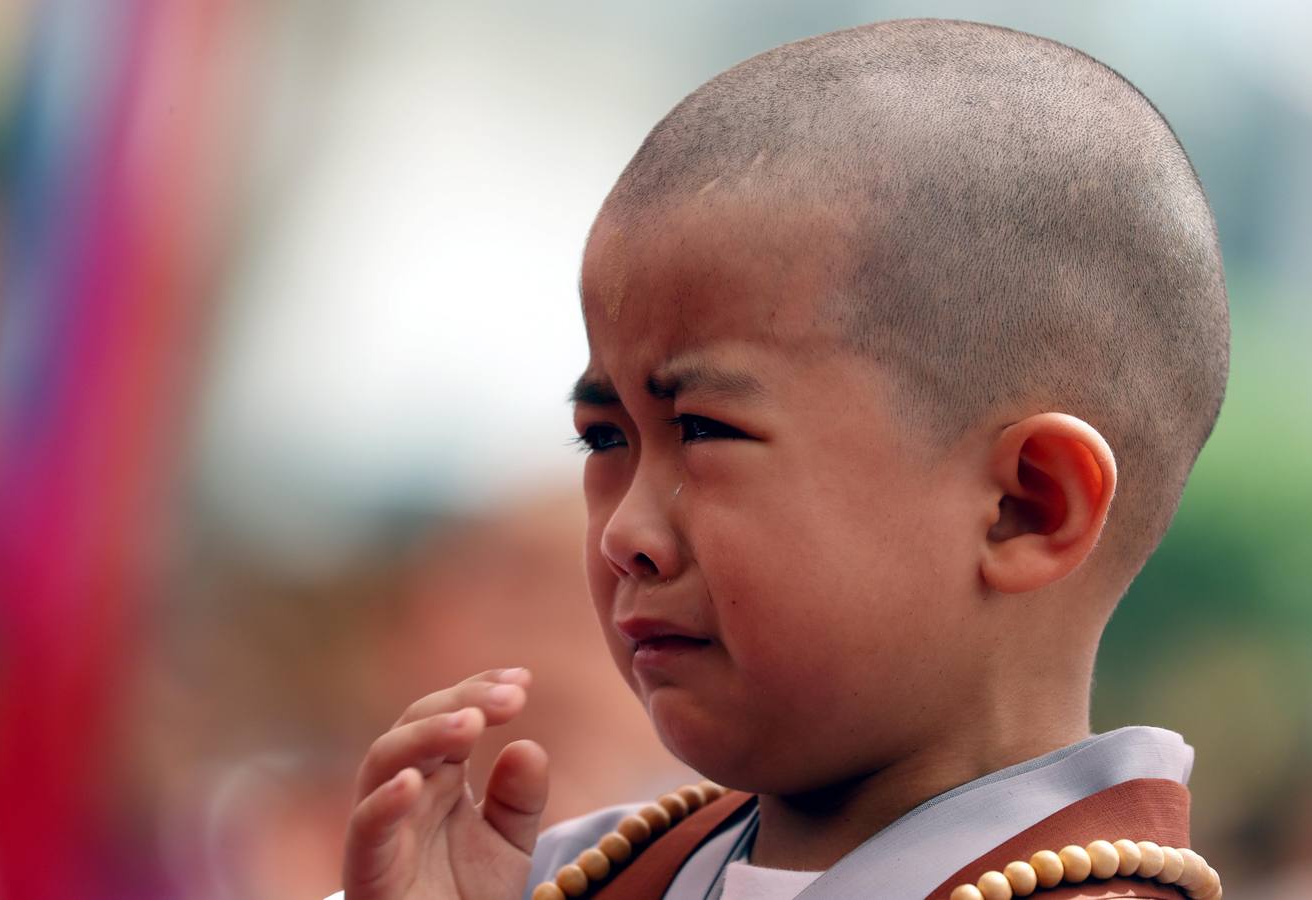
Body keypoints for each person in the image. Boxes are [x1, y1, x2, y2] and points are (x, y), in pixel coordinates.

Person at [330, 18, 1230, 900]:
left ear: (1026, 507)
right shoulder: (554, 870)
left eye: (704, 430)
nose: (623, 535)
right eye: (606, 438)